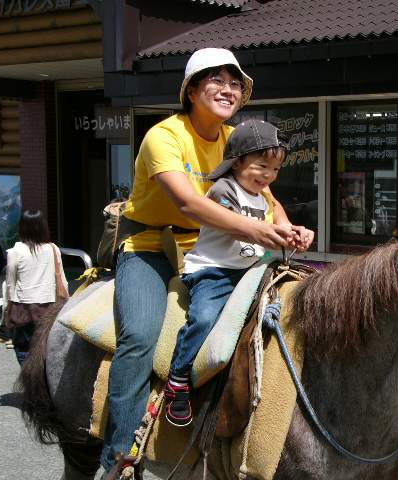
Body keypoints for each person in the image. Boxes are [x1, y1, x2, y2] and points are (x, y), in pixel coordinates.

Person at [100, 47, 314, 473]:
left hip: (224, 250)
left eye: (235, 83)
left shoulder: (237, 139)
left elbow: (268, 200)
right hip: (151, 247)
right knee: (139, 337)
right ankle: (119, 456)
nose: (228, 89)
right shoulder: (164, 135)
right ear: (192, 90)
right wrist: (255, 231)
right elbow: (188, 205)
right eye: (216, 80)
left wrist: (288, 228)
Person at [164, 119, 312, 427]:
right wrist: (271, 233)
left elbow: (277, 224)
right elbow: (239, 229)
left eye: (274, 170)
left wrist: (296, 232)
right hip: (215, 272)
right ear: (236, 162)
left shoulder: (264, 196)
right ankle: (178, 379)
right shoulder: (223, 189)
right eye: (261, 167)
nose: (268, 176)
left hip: (251, 269)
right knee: (204, 318)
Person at [4, 210, 67, 366]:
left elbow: (10, 285)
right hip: (49, 307)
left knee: (23, 348)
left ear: (22, 228)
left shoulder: (15, 252)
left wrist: (7, 309)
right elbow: (62, 281)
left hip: (22, 307)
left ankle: (30, 382)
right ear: (43, 227)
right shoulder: (53, 249)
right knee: (45, 347)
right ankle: (44, 383)